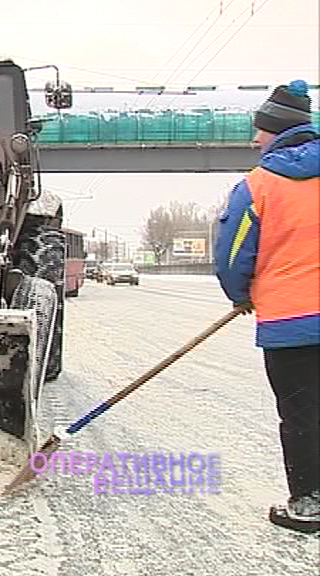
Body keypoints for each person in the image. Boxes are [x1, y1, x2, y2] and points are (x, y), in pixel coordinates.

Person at [214, 79, 319, 534]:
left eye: (260, 131)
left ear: (276, 132)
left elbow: (233, 256)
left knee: (302, 415)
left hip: (292, 324)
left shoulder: (258, 187)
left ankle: (309, 505)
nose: (255, 140)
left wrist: (242, 294)